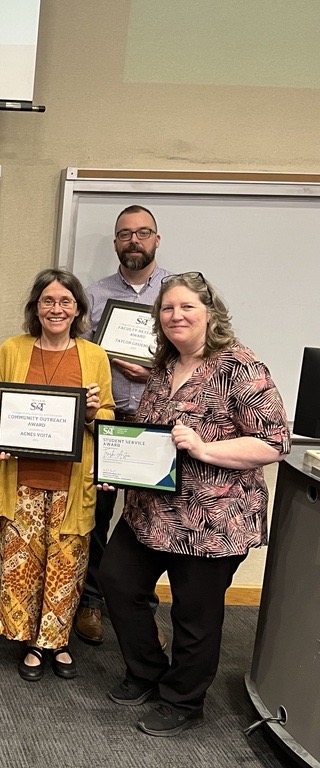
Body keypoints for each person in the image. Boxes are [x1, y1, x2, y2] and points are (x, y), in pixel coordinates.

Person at [99, 272, 288, 737]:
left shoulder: (239, 367)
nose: (176, 315)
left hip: (212, 520)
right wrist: (117, 470)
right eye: (167, 309)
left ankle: (183, 700)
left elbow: (274, 441)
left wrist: (205, 448)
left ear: (209, 313)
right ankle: (146, 671)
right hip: (150, 513)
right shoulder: (164, 365)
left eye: (187, 307)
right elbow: (150, 435)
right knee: (117, 581)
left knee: (194, 614)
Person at [0, 268, 113, 681]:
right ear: (36, 307)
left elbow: (109, 414)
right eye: (48, 301)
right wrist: (0, 438)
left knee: (66, 565)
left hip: (72, 482)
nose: (56, 309)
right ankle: (29, 641)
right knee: (24, 564)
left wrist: (95, 415)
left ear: (77, 308)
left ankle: (56, 641)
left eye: (65, 301)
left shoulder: (94, 355)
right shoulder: (13, 348)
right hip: (22, 478)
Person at [76, 205, 172, 645]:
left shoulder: (176, 294)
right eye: (125, 234)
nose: (134, 240)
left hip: (158, 423)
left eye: (143, 233)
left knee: (149, 518)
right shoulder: (93, 296)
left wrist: (152, 373)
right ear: (115, 242)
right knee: (97, 516)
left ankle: (141, 605)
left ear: (156, 239)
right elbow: (76, 356)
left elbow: (196, 356)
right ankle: (92, 603)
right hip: (107, 423)